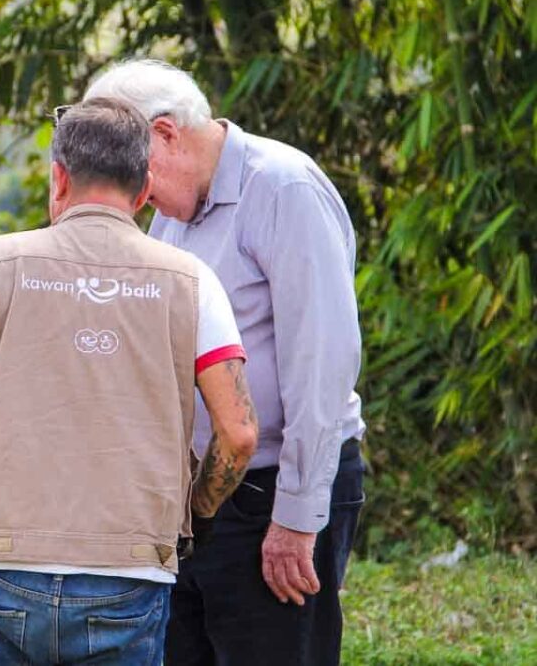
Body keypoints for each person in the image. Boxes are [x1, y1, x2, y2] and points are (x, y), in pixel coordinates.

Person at [0, 98, 259, 665]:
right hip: (131, 567)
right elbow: (240, 434)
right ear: (144, 187)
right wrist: (198, 512)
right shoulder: (192, 281)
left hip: (2, 560)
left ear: (59, 177)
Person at [85, 59, 367, 666]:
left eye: (131, 168)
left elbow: (323, 361)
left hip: (276, 485)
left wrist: (295, 517)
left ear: (164, 134)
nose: (131, 194)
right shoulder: (171, 214)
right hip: (198, 494)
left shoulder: (284, 188)